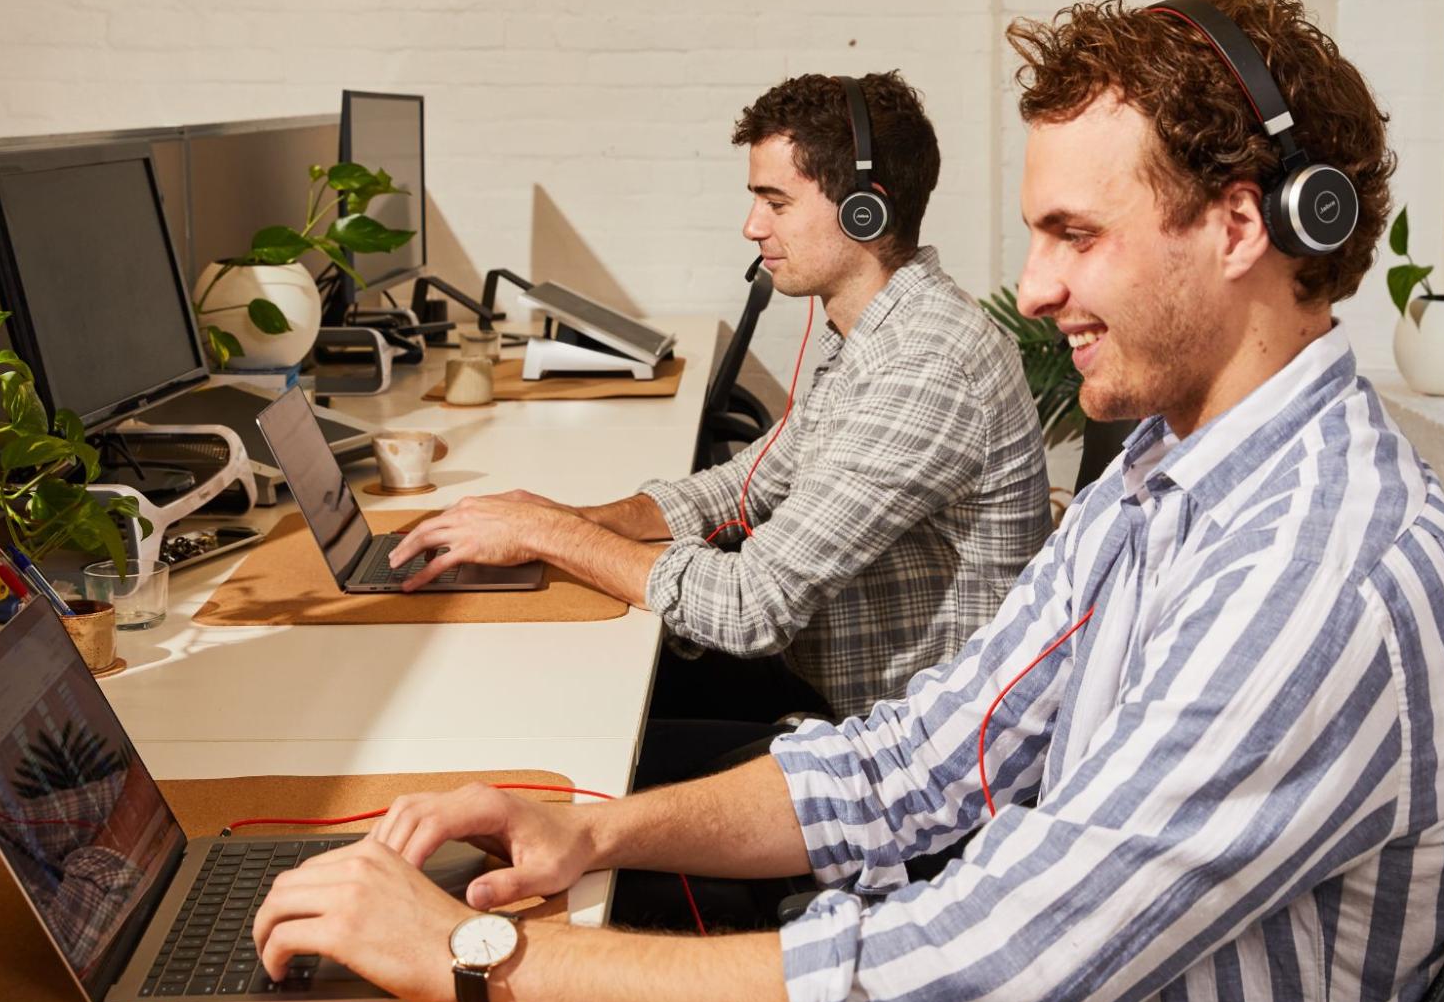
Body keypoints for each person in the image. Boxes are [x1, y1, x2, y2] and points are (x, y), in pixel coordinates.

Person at [253, 0, 1444, 1002]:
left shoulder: (1311, 579)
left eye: (1074, 237)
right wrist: (593, 829)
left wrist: (484, 957)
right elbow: (918, 761)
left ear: (1246, 222)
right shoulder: (1159, 480)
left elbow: (983, 969)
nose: (1032, 289)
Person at [389, 71, 1052, 729]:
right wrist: (565, 518)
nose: (751, 226)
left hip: (883, 745)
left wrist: (554, 536)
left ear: (864, 210)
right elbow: (744, 488)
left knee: (561, 715)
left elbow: (749, 605)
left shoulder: (922, 366)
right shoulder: (873, 334)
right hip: (811, 678)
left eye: (776, 203)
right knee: (552, 668)